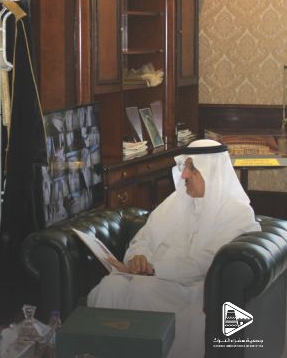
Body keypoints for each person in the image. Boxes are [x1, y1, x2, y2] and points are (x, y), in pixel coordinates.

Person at [87, 139, 260, 358]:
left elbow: (207, 263)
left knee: (141, 290)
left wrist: (152, 269)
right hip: (153, 279)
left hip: (192, 291)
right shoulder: (177, 200)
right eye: (184, 167)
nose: (184, 175)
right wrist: (137, 258)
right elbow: (143, 238)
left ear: (213, 173)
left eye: (192, 169)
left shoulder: (237, 213)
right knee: (108, 286)